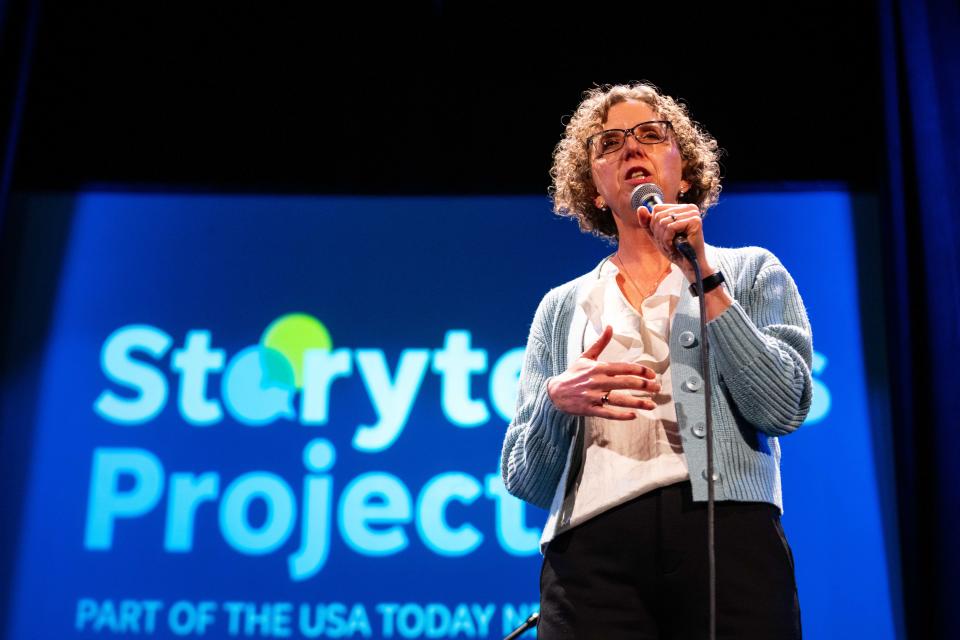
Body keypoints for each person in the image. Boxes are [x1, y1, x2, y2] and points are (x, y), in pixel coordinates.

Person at [500, 83, 812, 639]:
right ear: (594, 190)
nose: (630, 147)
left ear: (684, 172)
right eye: (609, 143)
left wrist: (705, 279)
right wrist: (556, 402)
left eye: (650, 134)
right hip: (592, 559)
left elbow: (783, 407)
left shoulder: (751, 271)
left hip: (728, 538)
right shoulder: (561, 307)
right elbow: (525, 479)